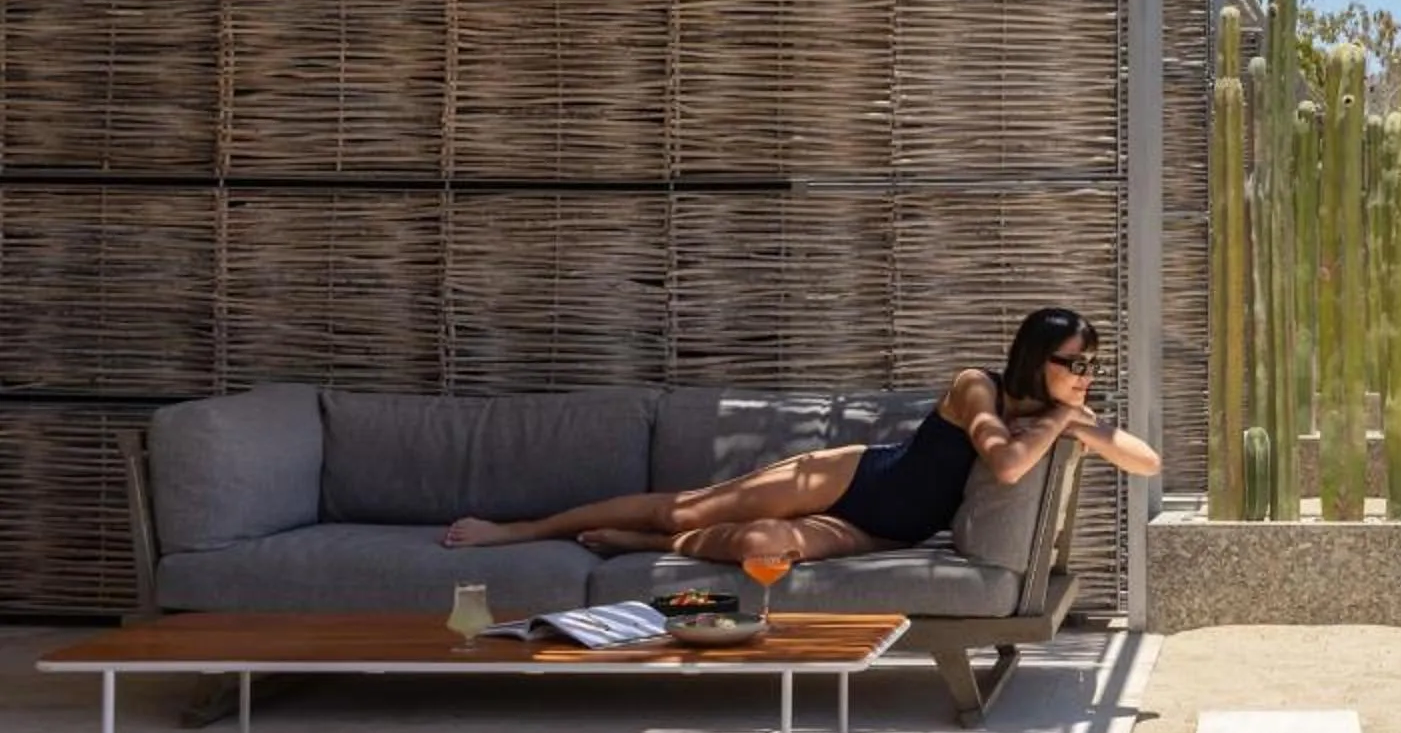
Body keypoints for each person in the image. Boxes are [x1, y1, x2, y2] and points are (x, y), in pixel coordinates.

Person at [441, 306, 1159, 565]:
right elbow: (1002, 463)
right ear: (1039, 359)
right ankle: (520, 532)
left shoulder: (1057, 415)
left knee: (761, 547)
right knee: (682, 508)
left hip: (883, 534)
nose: (1087, 376)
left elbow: (1146, 461)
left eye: (1093, 365)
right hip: (849, 479)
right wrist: (1066, 421)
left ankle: (652, 551)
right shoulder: (979, 385)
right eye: (1077, 364)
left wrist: (1076, 421)